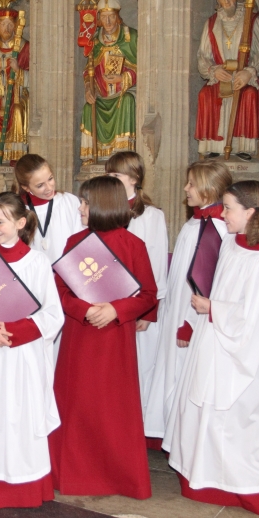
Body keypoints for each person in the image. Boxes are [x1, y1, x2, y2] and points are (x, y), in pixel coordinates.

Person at [165, 180, 259, 515]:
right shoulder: (233, 243)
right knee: (201, 410)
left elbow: (254, 320)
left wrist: (212, 308)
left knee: (229, 419)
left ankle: (236, 485)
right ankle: (202, 476)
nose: (223, 213)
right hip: (211, 340)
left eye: (229, 208)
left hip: (236, 354)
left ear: (250, 212)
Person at [49, 176, 157, 499]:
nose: (80, 208)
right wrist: (82, 309)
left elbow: (149, 295)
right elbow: (60, 291)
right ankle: (73, 475)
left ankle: (118, 477)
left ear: (102, 205)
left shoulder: (133, 245)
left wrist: (116, 310)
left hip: (114, 339)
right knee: (77, 405)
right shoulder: (74, 242)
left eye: (84, 202)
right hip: (79, 339)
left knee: (112, 410)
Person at [0, 192, 64, 511]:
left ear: (20, 223)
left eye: (0, 222)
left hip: (23, 357)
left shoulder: (37, 262)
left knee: (20, 417)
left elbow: (53, 314)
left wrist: (17, 331)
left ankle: (26, 485)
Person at [158, 160, 231, 447]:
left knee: (184, 376)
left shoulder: (216, 229)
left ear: (209, 189)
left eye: (191, 183)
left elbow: (209, 283)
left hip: (191, 318)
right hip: (176, 310)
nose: (186, 188)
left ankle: (183, 441)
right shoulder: (196, 221)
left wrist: (189, 323)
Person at [105, 151, 168, 447]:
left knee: (140, 368)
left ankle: (136, 431)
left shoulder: (151, 216)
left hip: (139, 307)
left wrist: (147, 311)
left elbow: (155, 265)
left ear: (134, 178)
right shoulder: (104, 212)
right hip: (109, 307)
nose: (111, 180)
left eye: (116, 176)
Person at [195, 0, 259, 159]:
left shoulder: (251, 19)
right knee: (205, 95)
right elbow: (203, 55)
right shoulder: (211, 23)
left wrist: (249, 72)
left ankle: (242, 147)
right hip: (221, 74)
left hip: (243, 73)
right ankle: (214, 145)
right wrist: (214, 70)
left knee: (248, 94)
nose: (226, 0)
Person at [80, 0, 137, 162]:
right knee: (88, 108)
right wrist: (89, 89)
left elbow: (143, 68)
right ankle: (93, 157)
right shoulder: (95, 41)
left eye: (111, 16)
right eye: (104, 17)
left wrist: (122, 78)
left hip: (125, 91)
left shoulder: (130, 37)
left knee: (127, 101)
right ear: (99, 19)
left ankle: (122, 154)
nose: (109, 22)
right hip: (102, 94)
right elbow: (88, 71)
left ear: (118, 17)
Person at [0, 8, 30, 165]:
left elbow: (34, 76)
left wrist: (18, 71)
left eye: (10, 25)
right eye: (3, 25)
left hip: (17, 95)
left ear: (15, 26)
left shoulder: (23, 47)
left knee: (16, 112)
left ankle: (16, 154)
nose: (7, 29)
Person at [13, 154, 83, 264]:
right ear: (25, 187)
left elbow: (81, 241)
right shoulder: (16, 210)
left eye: (50, 179)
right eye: (40, 185)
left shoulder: (70, 202)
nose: (49, 188)